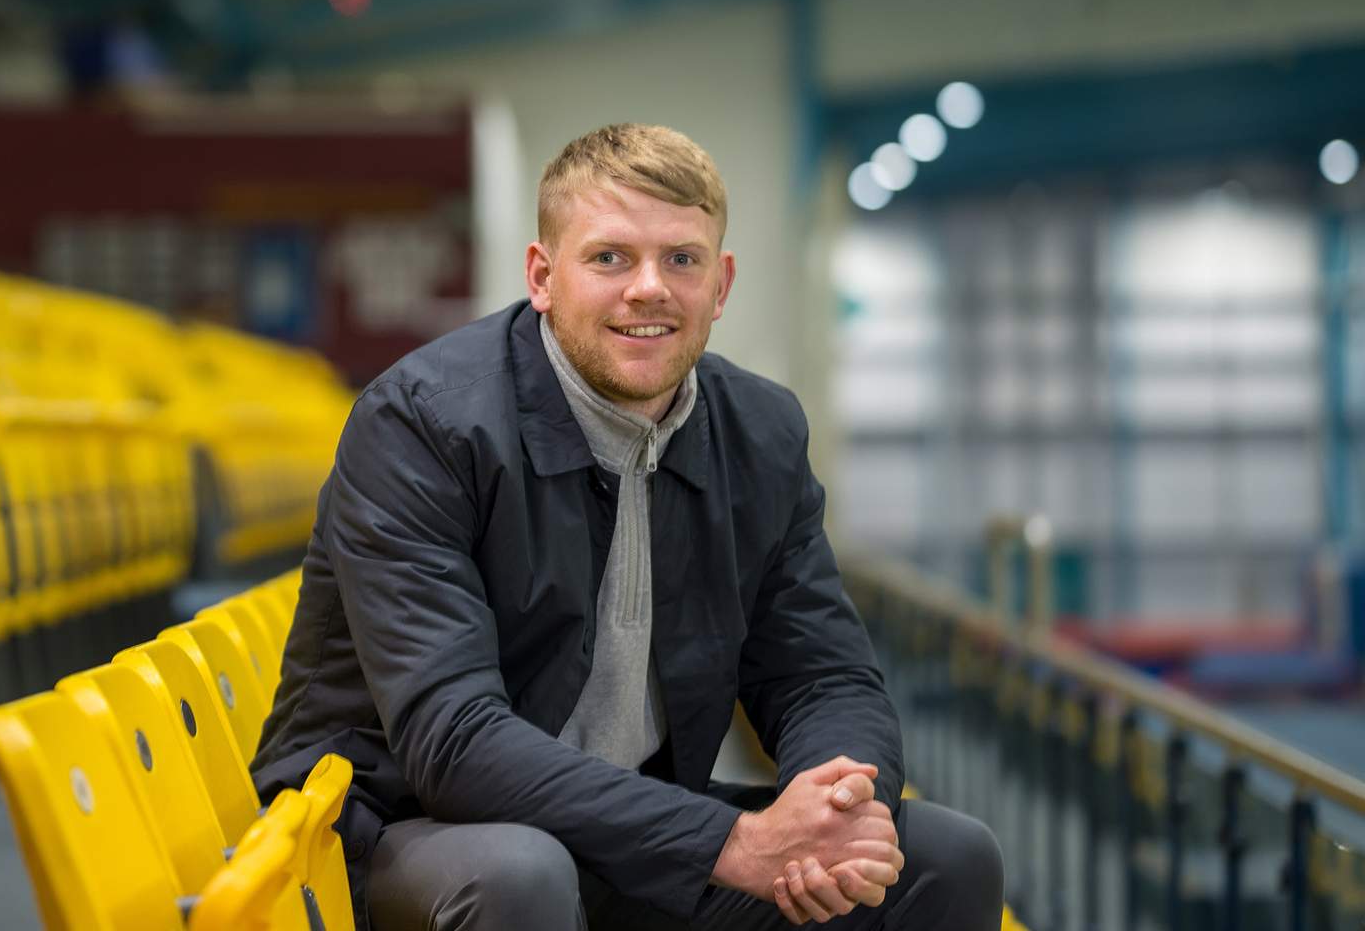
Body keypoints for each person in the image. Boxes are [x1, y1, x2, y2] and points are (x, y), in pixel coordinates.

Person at [251, 123, 1003, 929]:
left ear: (720, 284)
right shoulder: (423, 426)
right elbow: (454, 742)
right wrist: (729, 843)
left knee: (943, 858)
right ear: (543, 276)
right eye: (609, 258)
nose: (649, 288)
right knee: (521, 873)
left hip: (632, 833)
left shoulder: (762, 432)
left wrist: (841, 808)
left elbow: (820, 675)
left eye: (681, 259)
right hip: (402, 833)